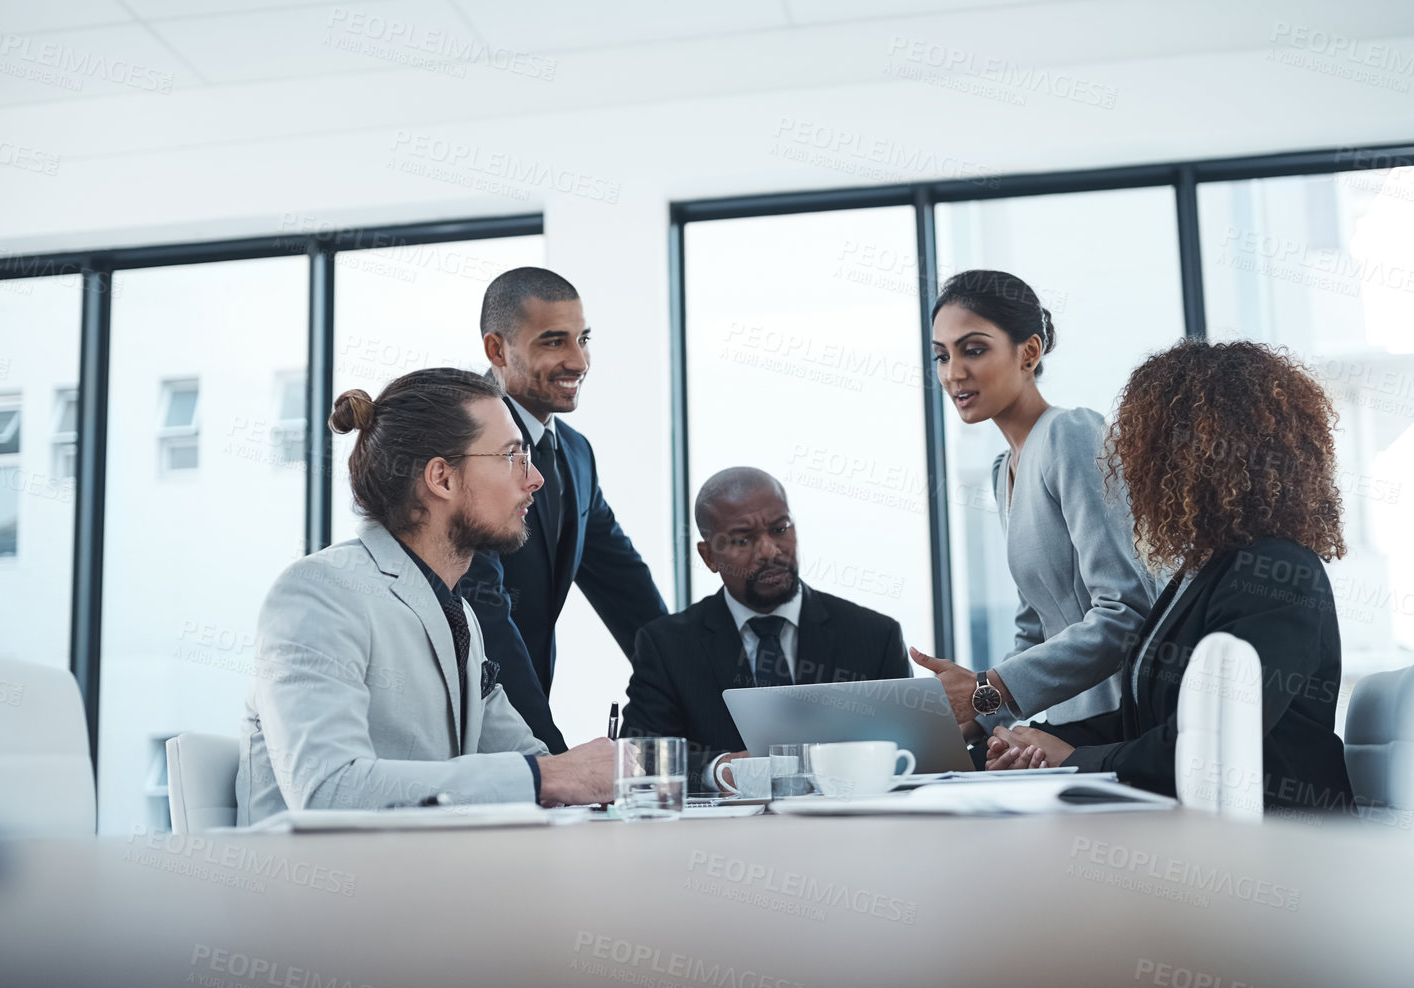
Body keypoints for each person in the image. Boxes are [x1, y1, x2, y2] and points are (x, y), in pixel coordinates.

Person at [987, 338, 1356, 813]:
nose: (1132, 470)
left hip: (1282, 850)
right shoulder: (1203, 573)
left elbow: (1209, 742)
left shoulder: (1278, 575)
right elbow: (1145, 722)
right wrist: (1034, 744)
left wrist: (1074, 759)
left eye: (1147, 449)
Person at [236, 368, 615, 825]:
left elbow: (533, 761)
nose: (534, 478)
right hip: (328, 893)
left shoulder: (459, 616)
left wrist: (604, 773)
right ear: (442, 478)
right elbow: (328, 790)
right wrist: (547, 778)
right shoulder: (319, 593)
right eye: (513, 456)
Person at [911, 269, 1154, 751]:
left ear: (1029, 352)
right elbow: (1035, 629)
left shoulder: (1072, 433)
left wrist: (984, 688)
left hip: (1121, 716)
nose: (953, 373)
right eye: (942, 356)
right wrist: (973, 720)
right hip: (1065, 716)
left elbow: (1127, 609)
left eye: (973, 350)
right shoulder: (1004, 470)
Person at [456, 267, 667, 754]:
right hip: (463, 736)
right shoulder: (468, 446)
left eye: (583, 339)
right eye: (554, 342)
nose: (579, 360)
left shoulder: (574, 453)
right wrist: (550, 755)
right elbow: (485, 611)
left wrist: (696, 692)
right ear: (496, 349)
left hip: (527, 742)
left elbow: (629, 591)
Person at [621, 467, 911, 791]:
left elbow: (911, 757)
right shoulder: (667, 646)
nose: (770, 552)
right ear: (708, 557)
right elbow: (638, 761)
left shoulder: (874, 637)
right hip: (722, 839)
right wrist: (716, 770)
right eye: (743, 539)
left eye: (780, 529)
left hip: (850, 834)